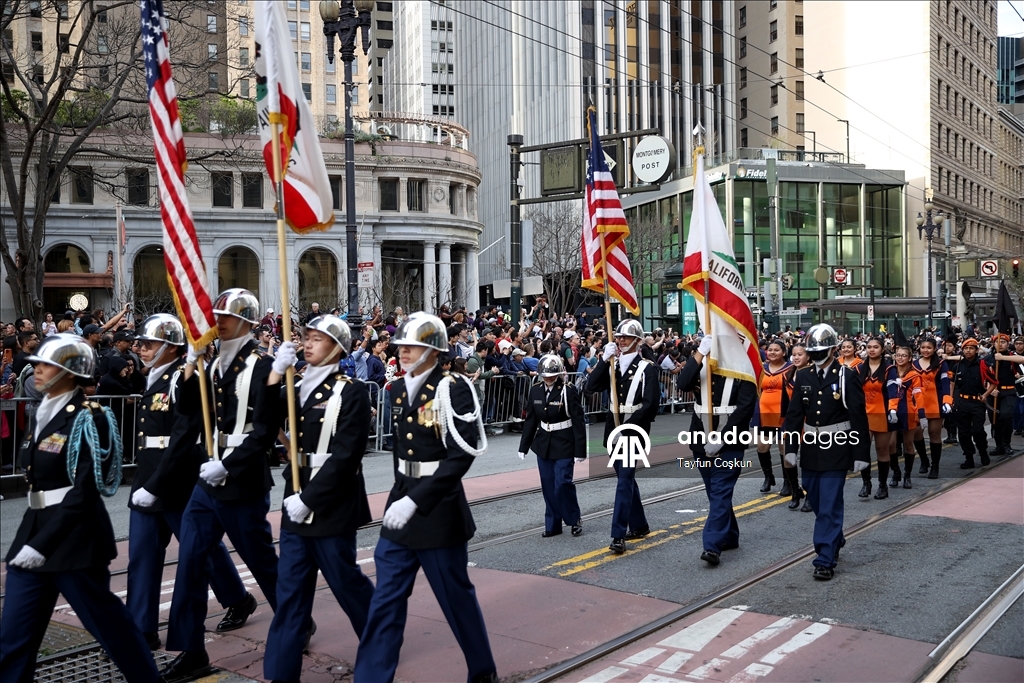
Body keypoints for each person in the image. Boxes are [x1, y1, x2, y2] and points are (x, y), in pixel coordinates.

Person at [0, 334, 160, 682]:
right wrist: (34, 541)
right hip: (35, 530)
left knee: (112, 630)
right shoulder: (41, 412)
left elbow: (83, 492)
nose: (37, 370)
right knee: (13, 639)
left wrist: (41, 545)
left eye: (45, 365)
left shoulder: (90, 417)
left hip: (75, 541)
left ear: (68, 373)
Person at [354, 312, 497, 683]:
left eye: (413, 344)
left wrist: (416, 501)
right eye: (401, 344)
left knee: (455, 599)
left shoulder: (453, 387)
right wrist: (400, 498)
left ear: (434, 349)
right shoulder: (398, 389)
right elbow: (405, 454)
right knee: (385, 602)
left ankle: (482, 673)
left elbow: (461, 455)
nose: (403, 350)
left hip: (437, 512)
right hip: (400, 509)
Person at [160, 289, 287, 681]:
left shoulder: (264, 365)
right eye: (216, 315)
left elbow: (265, 431)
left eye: (226, 317)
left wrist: (227, 464)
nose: (217, 322)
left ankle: (294, 621)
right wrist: (188, 368)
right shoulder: (212, 363)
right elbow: (188, 414)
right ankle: (191, 650)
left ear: (247, 322)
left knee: (261, 560)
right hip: (208, 477)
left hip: (242, 477)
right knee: (191, 561)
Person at [125, 315, 253, 652]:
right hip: (148, 475)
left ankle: (238, 598)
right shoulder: (153, 377)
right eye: (141, 343)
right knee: (141, 555)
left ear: (170, 346)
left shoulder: (185, 375)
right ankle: (143, 627)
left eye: (149, 343)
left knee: (201, 549)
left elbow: (183, 435)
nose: (142, 349)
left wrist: (157, 484)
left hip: (177, 477)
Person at [264, 315, 375, 683]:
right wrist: (276, 373)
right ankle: (281, 675)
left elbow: (346, 456)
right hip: (295, 500)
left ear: (338, 348)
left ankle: (380, 639)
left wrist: (310, 498)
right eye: (306, 337)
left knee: (346, 583)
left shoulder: (352, 391)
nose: (307, 343)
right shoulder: (295, 389)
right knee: (291, 594)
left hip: (330, 504)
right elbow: (263, 422)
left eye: (317, 339)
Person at [782, 324, 870, 581]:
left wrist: (861, 453)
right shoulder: (804, 376)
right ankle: (835, 537)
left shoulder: (846, 375)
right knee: (817, 499)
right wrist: (790, 448)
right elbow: (795, 414)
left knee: (830, 503)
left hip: (837, 446)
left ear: (832, 349)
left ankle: (824, 558)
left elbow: (858, 415)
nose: (817, 354)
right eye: (813, 350)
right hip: (810, 446)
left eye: (821, 349)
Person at [676, 335, 757, 566]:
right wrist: (699, 353)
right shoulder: (702, 363)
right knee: (714, 492)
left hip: (730, 442)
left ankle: (712, 546)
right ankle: (729, 535)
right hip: (700, 439)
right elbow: (682, 384)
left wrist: (722, 438)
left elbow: (744, 410)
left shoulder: (745, 370)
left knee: (721, 492)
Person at [585, 319, 659, 555]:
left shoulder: (648, 367)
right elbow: (592, 386)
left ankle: (618, 534)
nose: (620, 340)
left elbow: (650, 405)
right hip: (612, 430)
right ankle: (639, 525)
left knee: (624, 481)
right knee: (625, 479)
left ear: (637, 341)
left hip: (632, 431)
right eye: (618, 337)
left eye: (625, 337)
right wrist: (602, 361)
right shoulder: (612, 365)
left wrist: (626, 427)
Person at [517, 354, 586, 538]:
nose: (547, 377)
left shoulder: (568, 390)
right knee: (548, 485)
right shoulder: (535, 390)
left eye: (551, 374)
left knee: (562, 483)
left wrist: (580, 450)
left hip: (564, 441)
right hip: (543, 443)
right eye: (544, 374)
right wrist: (523, 446)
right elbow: (531, 420)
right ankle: (553, 523)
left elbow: (578, 421)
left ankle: (574, 519)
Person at [859, 337, 899, 498]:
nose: (872, 350)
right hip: (863, 415)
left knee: (882, 449)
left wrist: (893, 410)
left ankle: (882, 485)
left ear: (882, 349)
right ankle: (866, 483)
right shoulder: (859, 369)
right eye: (869, 347)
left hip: (882, 414)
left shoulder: (890, 369)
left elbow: (893, 392)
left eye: (876, 347)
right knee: (862, 450)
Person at [753, 340, 793, 499]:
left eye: (777, 350)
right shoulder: (761, 369)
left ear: (784, 352)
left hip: (784, 414)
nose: (772, 352)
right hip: (764, 413)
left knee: (783, 447)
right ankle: (768, 477)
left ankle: (788, 481)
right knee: (762, 446)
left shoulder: (791, 368)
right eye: (770, 350)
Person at [912, 337, 952, 478]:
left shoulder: (941, 364)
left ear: (934, 348)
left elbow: (946, 383)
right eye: (923, 347)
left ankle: (935, 466)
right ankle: (924, 459)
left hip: (935, 402)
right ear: (919, 348)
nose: (926, 350)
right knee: (917, 432)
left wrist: (947, 401)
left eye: (929, 347)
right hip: (917, 404)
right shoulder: (913, 364)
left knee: (934, 433)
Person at [950, 338, 992, 468]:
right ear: (962, 350)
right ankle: (968, 457)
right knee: (963, 432)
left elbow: (994, 383)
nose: (968, 351)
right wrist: (951, 399)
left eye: (971, 348)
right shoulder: (957, 366)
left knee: (978, 430)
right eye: (966, 348)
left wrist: (985, 395)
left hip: (977, 403)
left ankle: (983, 451)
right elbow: (952, 383)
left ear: (976, 350)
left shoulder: (982, 364)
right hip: (962, 402)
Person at [892, 346, 924, 488]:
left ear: (910, 358)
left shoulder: (915, 375)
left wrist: (921, 415)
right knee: (891, 444)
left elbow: (918, 395)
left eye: (904, 355)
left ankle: (907, 475)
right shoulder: (889, 373)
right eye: (898, 355)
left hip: (909, 412)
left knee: (908, 444)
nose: (900, 358)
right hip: (891, 411)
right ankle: (896, 472)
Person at [986, 333, 1021, 456]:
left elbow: (1022, 359)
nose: (1000, 344)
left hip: (1008, 392)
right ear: (993, 343)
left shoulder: (1012, 356)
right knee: (994, 420)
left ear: (1008, 344)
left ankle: (1007, 444)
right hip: (993, 393)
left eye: (1003, 342)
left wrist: (1002, 358)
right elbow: (982, 377)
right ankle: (998, 445)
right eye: (997, 342)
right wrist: (989, 389)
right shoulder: (987, 359)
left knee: (1006, 417)